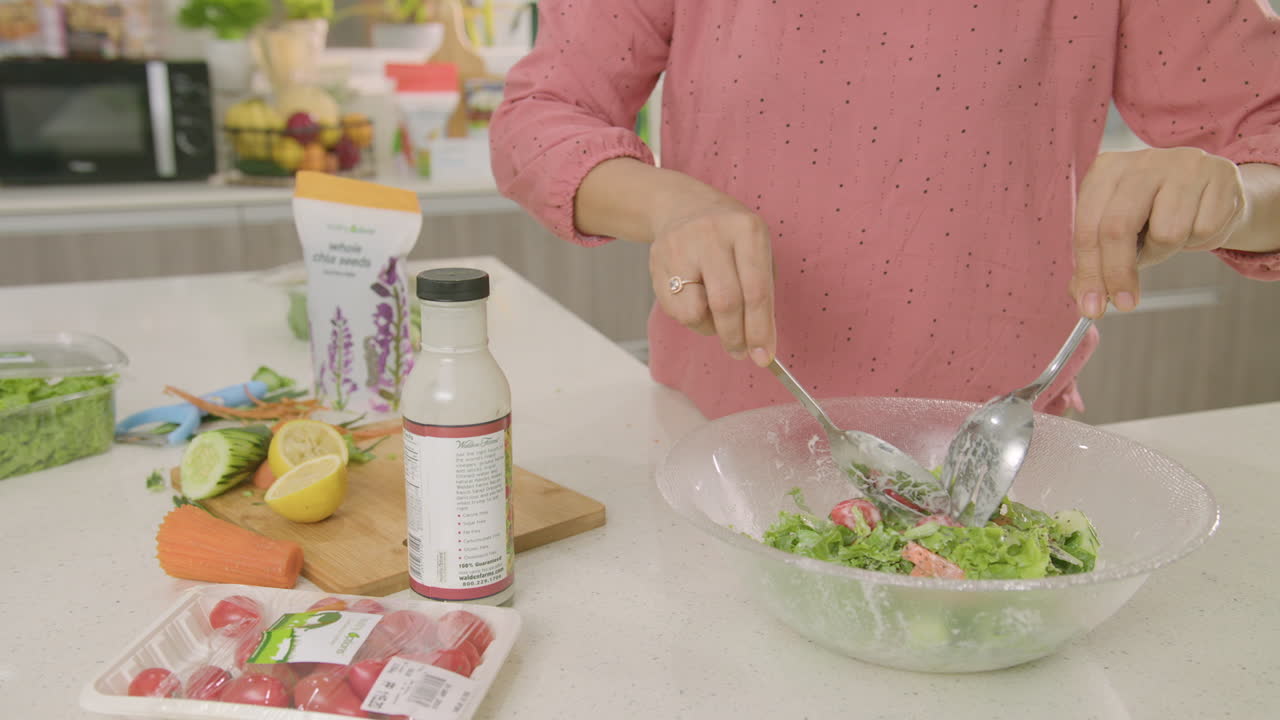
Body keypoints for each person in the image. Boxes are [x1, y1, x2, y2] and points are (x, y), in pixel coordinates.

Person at [489, 1, 1280, 420]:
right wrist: (672, 203)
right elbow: (538, 116)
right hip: (715, 439)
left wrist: (1234, 195)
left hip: (1006, 459)